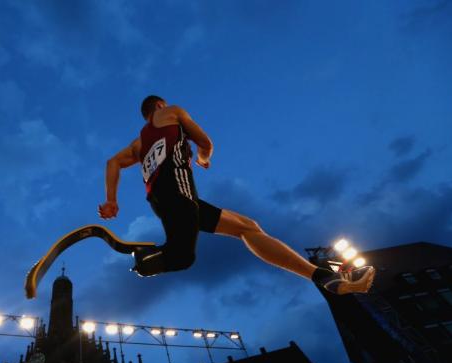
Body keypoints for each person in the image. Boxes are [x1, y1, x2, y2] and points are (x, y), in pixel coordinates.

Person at [99, 95, 375, 295]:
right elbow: (205, 143)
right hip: (177, 190)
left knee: (247, 227)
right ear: (160, 106)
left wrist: (112, 200)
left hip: (164, 201)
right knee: (182, 256)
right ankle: (145, 259)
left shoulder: (137, 145)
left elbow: (113, 162)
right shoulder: (171, 111)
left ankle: (322, 276)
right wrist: (203, 158)